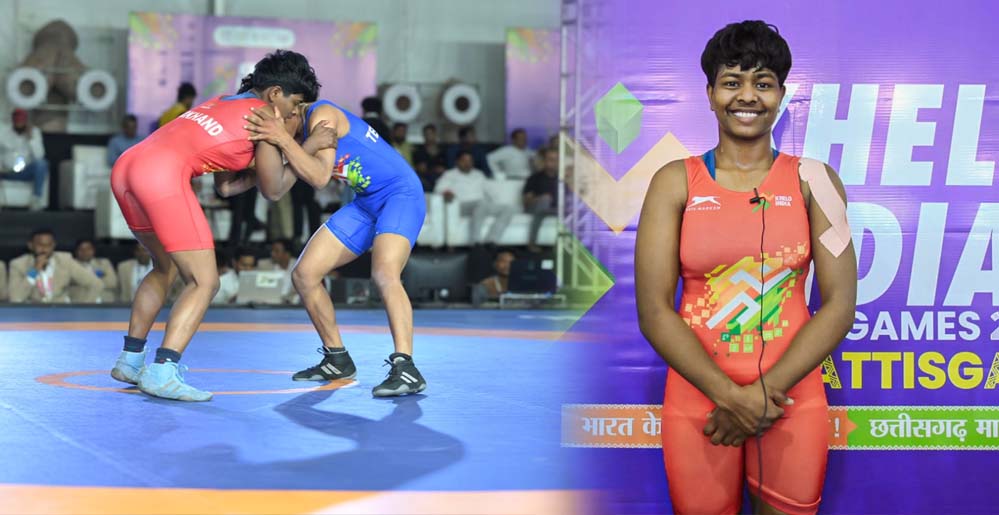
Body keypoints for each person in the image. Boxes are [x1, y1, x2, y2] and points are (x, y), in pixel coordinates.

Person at [634, 21, 857, 515]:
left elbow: (840, 305)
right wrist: (730, 397)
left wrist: (762, 395)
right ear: (710, 94)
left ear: (781, 95)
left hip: (790, 396)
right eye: (732, 82)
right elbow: (653, 311)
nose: (747, 96)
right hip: (699, 398)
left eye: (763, 82)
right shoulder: (674, 181)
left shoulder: (817, 181)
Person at [108, 50, 334, 402]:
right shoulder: (266, 118)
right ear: (275, 93)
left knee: (164, 267)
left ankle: (131, 359)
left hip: (128, 167)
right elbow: (274, 190)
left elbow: (226, 186)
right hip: (160, 176)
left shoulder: (223, 101)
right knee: (205, 281)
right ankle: (163, 370)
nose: (295, 114)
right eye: (296, 104)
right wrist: (304, 145)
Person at [244, 94, 428, 397]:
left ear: (292, 109)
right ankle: (337, 358)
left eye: (277, 120)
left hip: (400, 195)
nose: (275, 129)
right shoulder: (298, 134)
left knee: (385, 273)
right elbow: (275, 186)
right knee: (304, 275)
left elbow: (318, 177)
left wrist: (284, 141)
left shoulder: (323, 116)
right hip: (367, 202)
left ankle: (406, 367)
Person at [8, 228, 103, 303]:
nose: (44, 249)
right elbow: (16, 298)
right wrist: (34, 270)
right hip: (31, 313)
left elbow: (96, 284)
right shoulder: (18, 265)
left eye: (48, 245)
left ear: (53, 245)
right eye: (40, 245)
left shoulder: (65, 261)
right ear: (30, 245)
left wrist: (83, 309)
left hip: (61, 312)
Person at [0, 108, 49, 210]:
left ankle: (36, 199)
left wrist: (31, 138)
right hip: (6, 171)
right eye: (17, 121)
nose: (19, 124)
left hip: (24, 172)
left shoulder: (34, 132)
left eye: (21, 121)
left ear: (26, 121)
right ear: (13, 121)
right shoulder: (3, 133)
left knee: (42, 164)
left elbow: (39, 155)